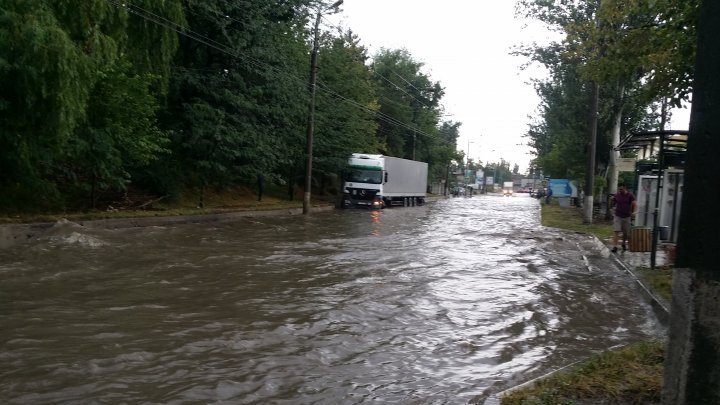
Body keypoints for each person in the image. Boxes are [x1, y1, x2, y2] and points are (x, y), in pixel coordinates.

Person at [610, 184, 637, 253]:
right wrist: (611, 200)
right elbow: (612, 204)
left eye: (621, 189)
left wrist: (634, 212)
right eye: (619, 189)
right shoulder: (617, 195)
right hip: (618, 215)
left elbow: (634, 204)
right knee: (616, 231)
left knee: (625, 233)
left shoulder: (630, 195)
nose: (620, 191)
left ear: (625, 188)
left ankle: (623, 243)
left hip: (627, 216)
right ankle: (615, 246)